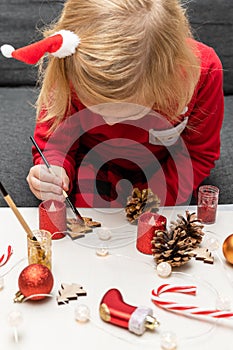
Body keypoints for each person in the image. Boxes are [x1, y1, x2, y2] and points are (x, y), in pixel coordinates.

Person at [1, 0, 224, 208]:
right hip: (87, 163)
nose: (108, 121)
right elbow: (55, 141)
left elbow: (198, 155)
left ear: (165, 82)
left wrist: (149, 202)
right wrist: (53, 169)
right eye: (95, 108)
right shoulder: (74, 63)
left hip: (166, 171)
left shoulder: (202, 72)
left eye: (130, 112)